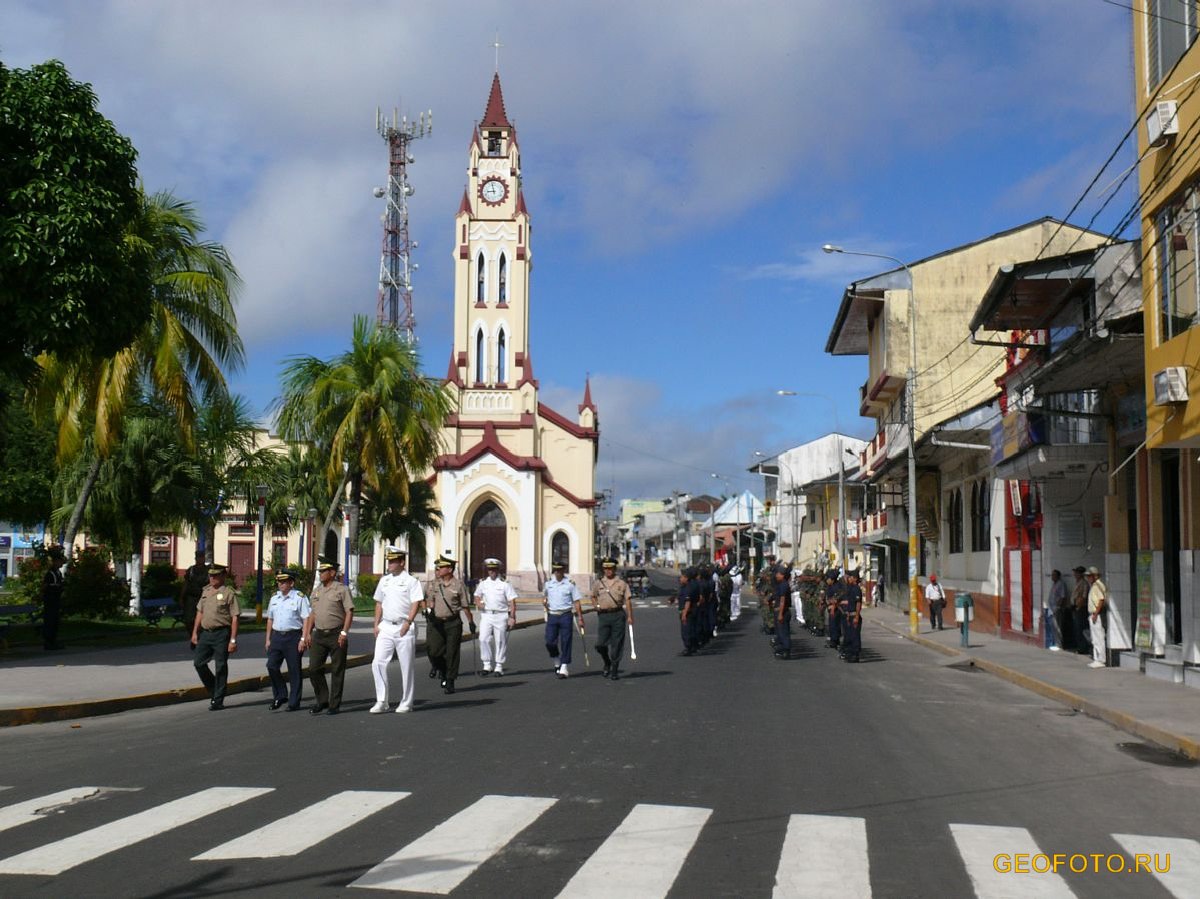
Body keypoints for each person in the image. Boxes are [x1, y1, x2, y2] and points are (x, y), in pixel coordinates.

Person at [370, 546, 424, 713]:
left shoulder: (411, 581)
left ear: (402, 562)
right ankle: (381, 700)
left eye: (393, 561)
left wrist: (408, 622)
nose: (390, 564)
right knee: (377, 662)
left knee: (406, 666)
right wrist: (376, 624)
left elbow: (416, 603)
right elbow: (379, 603)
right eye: (389, 561)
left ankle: (406, 702)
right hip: (386, 626)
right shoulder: (384, 580)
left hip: (403, 627)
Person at [302, 557, 355, 714]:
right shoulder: (317, 590)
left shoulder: (341, 589)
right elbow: (313, 613)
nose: (320, 574)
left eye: (323, 571)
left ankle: (334, 704)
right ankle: (322, 700)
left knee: (337, 670)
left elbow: (349, 612)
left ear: (332, 573)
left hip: (336, 633)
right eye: (320, 571)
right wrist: (307, 633)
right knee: (313, 668)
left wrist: (344, 632)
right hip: (319, 634)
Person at [191, 563, 239, 710]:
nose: (212, 578)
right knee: (198, 663)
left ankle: (218, 699)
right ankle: (214, 690)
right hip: (206, 633)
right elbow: (200, 612)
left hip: (221, 634)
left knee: (221, 666)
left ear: (223, 576)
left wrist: (233, 640)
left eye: (216, 575)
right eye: (211, 575)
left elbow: (235, 617)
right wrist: (194, 632)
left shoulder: (228, 593)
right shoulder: (205, 591)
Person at [425, 555, 475, 694]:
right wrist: (429, 609)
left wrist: (471, 622)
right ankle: (442, 669)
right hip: (437, 622)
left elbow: (465, 606)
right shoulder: (435, 584)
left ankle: (450, 680)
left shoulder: (458, 585)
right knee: (433, 651)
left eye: (442, 567)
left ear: (450, 569)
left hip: (453, 622)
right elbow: (430, 600)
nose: (439, 569)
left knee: (452, 652)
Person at [264, 570, 310, 711]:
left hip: (293, 637)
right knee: (271, 666)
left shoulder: (299, 597)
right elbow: (270, 619)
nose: (281, 584)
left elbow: (306, 618)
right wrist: (268, 639)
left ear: (291, 583)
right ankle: (280, 695)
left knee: (294, 670)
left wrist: (303, 638)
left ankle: (294, 702)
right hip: (277, 636)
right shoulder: (274, 598)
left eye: (284, 582)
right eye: (279, 581)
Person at [474, 558, 518, 676]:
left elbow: (512, 601)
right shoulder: (483, 583)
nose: (491, 571)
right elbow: (477, 596)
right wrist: (479, 603)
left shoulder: (505, 583)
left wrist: (512, 617)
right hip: (487, 614)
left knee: (500, 640)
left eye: (494, 569)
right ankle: (487, 665)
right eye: (489, 569)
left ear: (498, 570)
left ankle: (499, 666)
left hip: (501, 615)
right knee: (483, 638)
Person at [591, 557, 633, 679]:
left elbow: (628, 600)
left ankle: (614, 669)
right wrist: (596, 606)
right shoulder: (598, 583)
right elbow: (593, 596)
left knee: (616, 644)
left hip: (618, 615)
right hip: (603, 616)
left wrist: (630, 616)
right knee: (600, 644)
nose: (608, 570)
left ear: (614, 569)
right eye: (606, 568)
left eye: (610, 568)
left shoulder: (622, 583)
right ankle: (607, 662)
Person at [543, 561, 583, 678]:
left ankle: (564, 666)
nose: (557, 573)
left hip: (566, 614)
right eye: (556, 570)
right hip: (552, 615)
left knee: (566, 641)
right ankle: (557, 660)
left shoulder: (570, 584)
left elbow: (576, 601)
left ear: (563, 571)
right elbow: (545, 596)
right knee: (550, 641)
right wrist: (545, 604)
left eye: (559, 570)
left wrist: (580, 617)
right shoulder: (548, 584)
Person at [41, 545, 67, 651]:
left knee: (55, 622)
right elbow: (45, 586)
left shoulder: (58, 573)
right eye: (60, 561)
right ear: (55, 562)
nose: (61, 564)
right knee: (50, 621)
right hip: (50, 601)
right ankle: (48, 641)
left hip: (56, 600)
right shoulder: (50, 574)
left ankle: (53, 640)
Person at [180, 549, 208, 639]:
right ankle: (193, 635)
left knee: (203, 618)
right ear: (195, 558)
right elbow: (186, 584)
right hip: (191, 598)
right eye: (198, 557)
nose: (200, 559)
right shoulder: (191, 570)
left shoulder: (208, 570)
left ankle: (201, 636)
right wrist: (182, 597)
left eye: (202, 557)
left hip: (204, 598)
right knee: (189, 619)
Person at [1085, 566, 1108, 668]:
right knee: (1095, 638)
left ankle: (1101, 659)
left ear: (1095, 576)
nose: (1088, 578)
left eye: (1090, 576)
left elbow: (1101, 600)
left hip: (1096, 615)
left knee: (1098, 637)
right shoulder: (1094, 586)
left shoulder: (1097, 586)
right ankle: (1096, 658)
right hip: (1093, 614)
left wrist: (1095, 614)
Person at [840, 569, 865, 662]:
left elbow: (858, 604)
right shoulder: (850, 588)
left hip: (854, 615)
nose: (848, 579)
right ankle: (850, 653)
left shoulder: (856, 589)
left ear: (854, 578)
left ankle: (855, 655)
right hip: (850, 615)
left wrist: (856, 617)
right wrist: (847, 615)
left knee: (855, 636)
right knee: (849, 636)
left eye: (850, 577)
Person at [677, 567, 701, 655]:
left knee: (686, 630)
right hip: (693, 610)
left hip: (688, 611)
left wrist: (684, 613)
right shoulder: (693, 585)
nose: (680, 579)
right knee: (692, 629)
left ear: (686, 578)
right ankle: (694, 646)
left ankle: (688, 648)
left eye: (682, 577)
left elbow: (688, 601)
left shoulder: (688, 588)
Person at [773, 566, 792, 660]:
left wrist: (780, 614)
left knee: (784, 632)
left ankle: (786, 650)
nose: (776, 575)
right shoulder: (782, 584)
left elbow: (782, 600)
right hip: (781, 611)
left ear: (782, 575)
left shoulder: (784, 585)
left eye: (778, 574)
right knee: (781, 632)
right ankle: (782, 648)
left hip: (783, 612)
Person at [1071, 566, 1091, 655]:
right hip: (1075, 607)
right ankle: (1079, 646)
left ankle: (1083, 648)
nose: (1075, 574)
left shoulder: (1084, 583)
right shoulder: (1077, 583)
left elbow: (1083, 596)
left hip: (1081, 608)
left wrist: (1078, 607)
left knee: (1081, 628)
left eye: (1077, 573)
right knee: (1076, 629)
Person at [1046, 569, 1067, 651]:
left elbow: (1062, 596)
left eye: (1054, 575)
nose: (1052, 576)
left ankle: (1059, 644)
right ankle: (1056, 643)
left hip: (1057, 608)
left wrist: (1058, 607)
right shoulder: (1054, 584)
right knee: (1053, 626)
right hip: (1051, 608)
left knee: (1058, 626)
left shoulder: (1061, 584)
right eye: (1052, 575)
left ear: (1058, 576)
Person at [824, 570, 843, 650]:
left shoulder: (837, 586)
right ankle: (833, 640)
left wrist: (833, 608)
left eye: (828, 579)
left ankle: (835, 641)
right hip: (830, 608)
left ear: (832, 579)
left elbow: (836, 599)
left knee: (834, 625)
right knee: (832, 625)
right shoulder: (830, 586)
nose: (827, 580)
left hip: (836, 609)